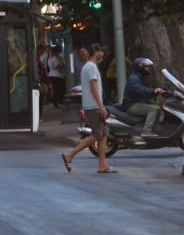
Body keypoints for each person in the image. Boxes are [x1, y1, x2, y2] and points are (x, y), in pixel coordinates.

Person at [61, 43, 115, 174]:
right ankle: (70, 155)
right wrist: (101, 106)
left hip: (92, 105)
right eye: (101, 51)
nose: (103, 54)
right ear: (96, 52)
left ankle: (102, 165)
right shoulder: (91, 67)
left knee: (103, 134)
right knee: (97, 135)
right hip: (94, 106)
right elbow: (93, 88)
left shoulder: (90, 66)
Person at [122, 58, 164, 137]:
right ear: (140, 67)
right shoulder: (134, 79)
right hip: (131, 105)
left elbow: (144, 92)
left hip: (137, 103)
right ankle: (146, 131)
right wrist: (153, 91)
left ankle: (154, 128)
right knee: (153, 109)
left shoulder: (139, 78)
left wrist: (156, 92)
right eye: (146, 67)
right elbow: (140, 90)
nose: (147, 69)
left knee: (158, 107)